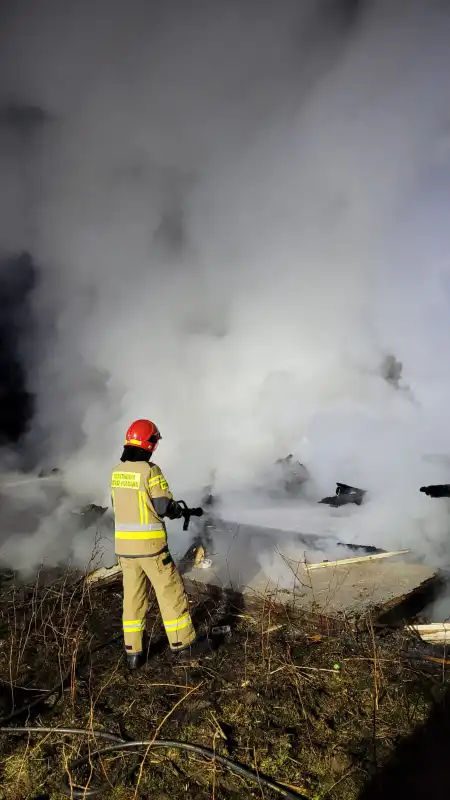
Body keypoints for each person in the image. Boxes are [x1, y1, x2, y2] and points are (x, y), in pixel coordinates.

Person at [110, 418, 209, 669]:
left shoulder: (117, 473)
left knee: (132, 599)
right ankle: (183, 645)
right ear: (150, 443)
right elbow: (164, 506)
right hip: (151, 549)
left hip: (125, 550)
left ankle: (134, 653)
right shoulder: (150, 470)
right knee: (171, 593)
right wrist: (178, 511)